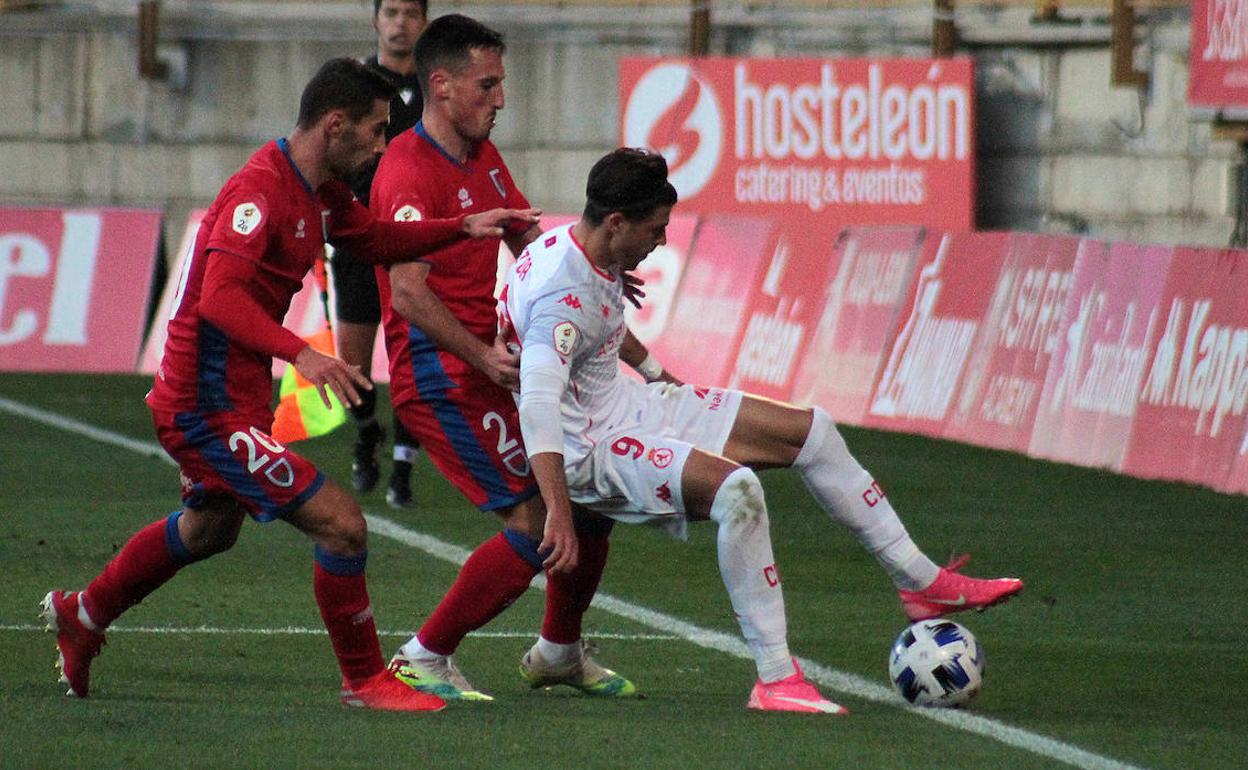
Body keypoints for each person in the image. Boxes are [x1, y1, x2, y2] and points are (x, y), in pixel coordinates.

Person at [40, 57, 536, 712]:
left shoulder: (319, 186)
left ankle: (86, 612)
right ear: (337, 125)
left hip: (235, 396)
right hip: (202, 406)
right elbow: (220, 299)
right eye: (378, 129)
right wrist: (302, 354)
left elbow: (373, 238)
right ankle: (364, 680)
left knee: (209, 529)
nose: (385, 144)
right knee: (342, 524)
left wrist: (459, 227)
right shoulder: (261, 192)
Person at [499, 147, 1025, 713]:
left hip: (631, 405)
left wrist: (662, 379)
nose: (664, 239)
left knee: (812, 431)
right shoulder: (563, 295)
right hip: (590, 450)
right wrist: (559, 509)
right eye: (656, 229)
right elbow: (538, 405)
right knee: (738, 493)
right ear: (617, 223)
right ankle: (775, 677)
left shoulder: (578, 249)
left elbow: (598, 329)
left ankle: (922, 583)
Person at [369, 14, 636, 701]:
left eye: (501, 83)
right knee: (535, 522)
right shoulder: (405, 168)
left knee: (591, 500)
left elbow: (530, 241)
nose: (501, 98)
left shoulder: (482, 155)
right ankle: (423, 657)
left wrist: (594, 267)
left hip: (489, 366)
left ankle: (560, 650)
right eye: (487, 84)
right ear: (442, 85)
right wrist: (483, 358)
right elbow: (406, 292)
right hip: (440, 376)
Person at [331, 0, 429, 508]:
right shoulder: (353, 86)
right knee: (352, 367)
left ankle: (404, 471)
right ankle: (369, 431)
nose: (400, 23)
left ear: (424, 23)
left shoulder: (438, 90)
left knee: (412, 360)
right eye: (390, 12)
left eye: (410, 13)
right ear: (375, 21)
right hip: (355, 241)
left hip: (412, 248)